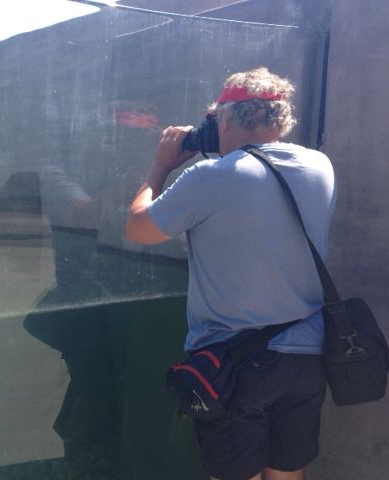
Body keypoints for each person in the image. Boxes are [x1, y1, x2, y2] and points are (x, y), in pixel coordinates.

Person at [125, 67, 336, 480]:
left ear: (224, 119)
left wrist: (161, 165)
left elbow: (138, 228)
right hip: (307, 359)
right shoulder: (320, 166)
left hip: (235, 364)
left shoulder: (209, 177)